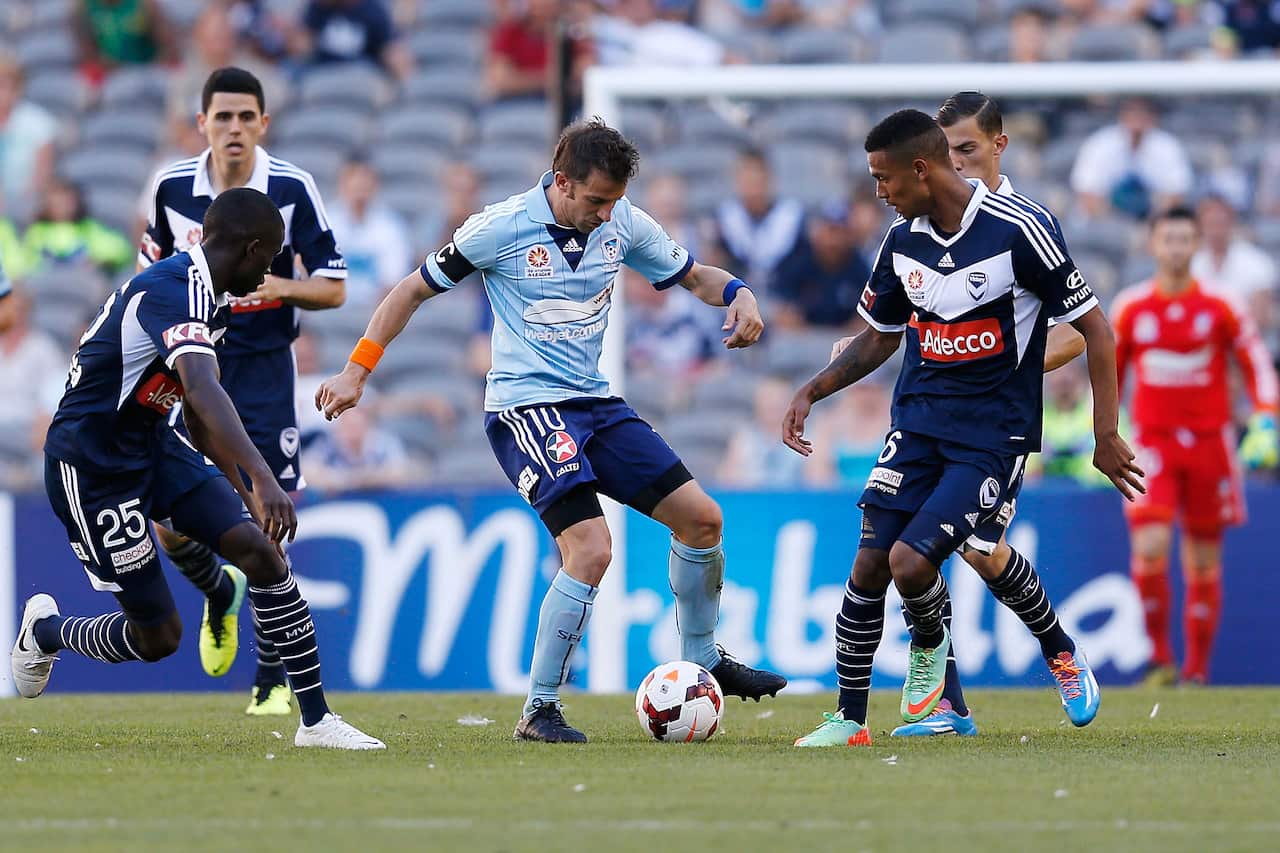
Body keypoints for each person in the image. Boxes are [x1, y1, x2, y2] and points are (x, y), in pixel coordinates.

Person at [316, 118, 787, 743]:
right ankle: (539, 708)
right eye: (596, 200)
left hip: (595, 404)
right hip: (525, 408)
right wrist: (357, 370)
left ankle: (702, 658)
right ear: (561, 182)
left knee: (702, 519)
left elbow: (695, 276)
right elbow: (409, 291)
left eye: (614, 202)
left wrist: (740, 294)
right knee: (591, 549)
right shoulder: (500, 227)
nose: (606, 214)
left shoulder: (622, 221)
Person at [784, 109, 1143, 748]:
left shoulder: (1020, 229)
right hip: (918, 424)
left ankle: (1025, 650)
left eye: (884, 178)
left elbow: (1094, 327)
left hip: (991, 435)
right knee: (870, 564)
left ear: (920, 170)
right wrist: (813, 390)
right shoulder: (901, 241)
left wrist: (1105, 432)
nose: (878, 193)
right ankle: (850, 720)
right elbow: (878, 338)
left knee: (923, 559)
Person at [10, 188, 381, 750]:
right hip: (90, 467)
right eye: (271, 257)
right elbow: (205, 389)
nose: (270, 273)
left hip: (152, 445)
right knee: (159, 637)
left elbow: (197, 415)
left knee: (260, 551)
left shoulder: (215, 302)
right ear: (251, 249)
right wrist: (264, 477)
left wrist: (247, 497)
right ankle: (46, 632)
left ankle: (316, 721)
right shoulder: (172, 288)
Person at [139, 67, 348, 717]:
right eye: (222, 117)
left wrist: (279, 287)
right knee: (168, 524)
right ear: (201, 123)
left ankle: (270, 676)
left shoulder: (290, 187)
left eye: (245, 117)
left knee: (267, 516)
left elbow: (335, 286)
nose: (233, 128)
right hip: (188, 363)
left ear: (264, 123)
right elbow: (150, 278)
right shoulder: (172, 189)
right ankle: (218, 592)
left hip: (260, 368)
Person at [1112, 206, 1279, 686]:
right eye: (1168, 239)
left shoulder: (1221, 303)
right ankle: (1160, 659)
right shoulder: (1131, 306)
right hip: (1152, 443)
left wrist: (1266, 417)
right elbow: (1109, 373)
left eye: (1185, 239)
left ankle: (1197, 670)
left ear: (1197, 245)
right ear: (1153, 245)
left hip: (1210, 443)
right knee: (1150, 545)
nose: (1177, 248)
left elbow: (1256, 361)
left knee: (1203, 559)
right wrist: (1105, 430)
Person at [1069, 98, 1193, 220]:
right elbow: (1087, 194)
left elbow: (1176, 195)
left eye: (1143, 114)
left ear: (1153, 118)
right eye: (1132, 114)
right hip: (1106, 220)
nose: (1137, 121)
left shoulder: (1168, 146)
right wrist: (1114, 224)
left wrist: (1152, 225)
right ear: (1122, 116)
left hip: (1153, 220)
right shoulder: (1099, 144)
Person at [772, 199, 871, 331]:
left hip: (845, 338)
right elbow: (781, 304)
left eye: (840, 232)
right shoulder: (798, 261)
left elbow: (869, 312)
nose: (833, 241)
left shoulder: (859, 267)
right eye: (829, 231)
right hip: (803, 337)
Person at [326, 156, 412, 306]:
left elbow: (394, 281)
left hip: (375, 309)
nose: (359, 187)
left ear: (375, 185)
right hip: (330, 307)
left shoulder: (391, 226)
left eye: (365, 180)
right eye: (353, 180)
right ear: (342, 184)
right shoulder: (325, 221)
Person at [0, 52, 57, 222]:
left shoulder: (38, 123)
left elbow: (41, 179)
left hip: (24, 205)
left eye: (4, 85)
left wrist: (16, 205)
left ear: (17, 88)